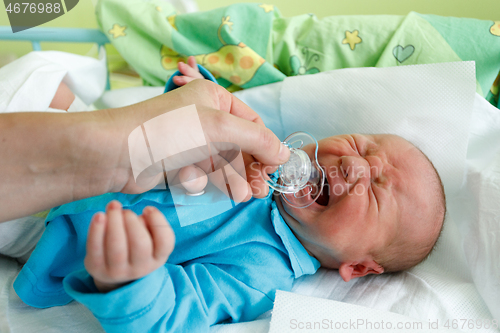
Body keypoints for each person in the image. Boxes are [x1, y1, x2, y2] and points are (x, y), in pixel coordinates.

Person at [9, 60, 446, 332]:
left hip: (54, 225)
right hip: (90, 140)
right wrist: (194, 95)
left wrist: (131, 278)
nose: (355, 167)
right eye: (360, 146)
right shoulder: (260, 147)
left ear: (357, 266)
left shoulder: (262, 270)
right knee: (44, 75)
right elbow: (182, 131)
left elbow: (179, 312)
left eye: (375, 193)